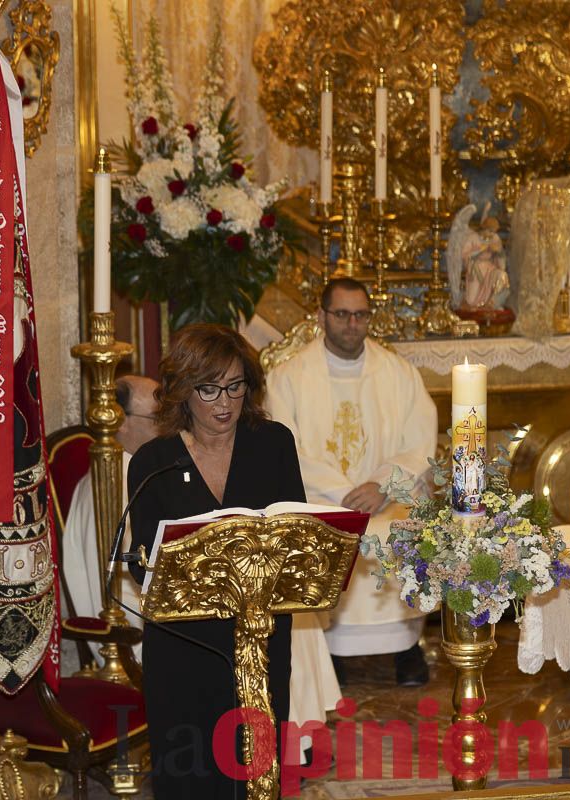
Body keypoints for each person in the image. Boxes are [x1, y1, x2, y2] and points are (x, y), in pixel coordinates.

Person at [128, 324, 305, 800]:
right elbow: (143, 565)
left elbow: (296, 537)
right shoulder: (153, 461)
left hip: (260, 641)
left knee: (257, 774)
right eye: (208, 389)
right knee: (191, 775)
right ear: (183, 391)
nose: (223, 402)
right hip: (184, 648)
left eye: (234, 386)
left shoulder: (273, 444)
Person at [265, 277, 438, 687]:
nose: (352, 324)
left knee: (400, 527)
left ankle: (405, 646)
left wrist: (382, 485)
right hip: (318, 499)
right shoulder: (287, 377)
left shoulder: (399, 374)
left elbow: (420, 442)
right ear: (322, 316)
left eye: (361, 315)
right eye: (342, 314)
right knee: (323, 531)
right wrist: (341, 494)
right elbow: (282, 448)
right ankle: (329, 650)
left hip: (386, 499)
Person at [61, 375, 159, 658]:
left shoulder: (143, 475)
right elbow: (110, 586)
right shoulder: (109, 487)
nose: (169, 426)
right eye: (158, 417)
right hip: (133, 636)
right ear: (120, 420)